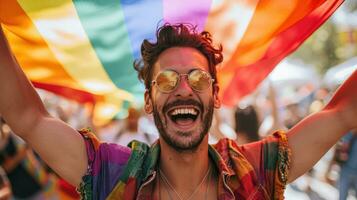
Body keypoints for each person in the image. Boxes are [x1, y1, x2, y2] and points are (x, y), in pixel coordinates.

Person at [0, 23, 356, 200]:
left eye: (198, 78)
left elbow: (342, 112)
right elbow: (28, 118)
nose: (183, 88)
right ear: (150, 101)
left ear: (215, 96)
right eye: (167, 79)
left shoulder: (255, 174)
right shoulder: (116, 177)